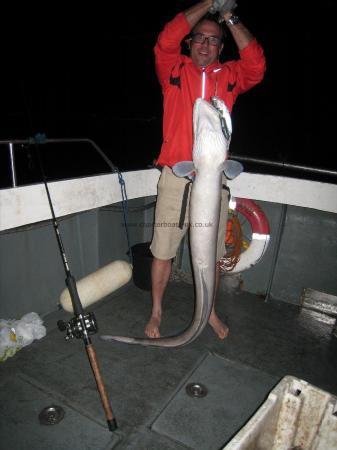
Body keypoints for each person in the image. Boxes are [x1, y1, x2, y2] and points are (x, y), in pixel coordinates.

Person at [145, 0, 266, 339]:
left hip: (214, 182)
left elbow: (256, 65)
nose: (206, 44)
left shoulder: (230, 76)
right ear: (190, 42)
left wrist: (229, 16)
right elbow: (166, 39)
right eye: (200, 37)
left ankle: (209, 311)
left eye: (214, 40)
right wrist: (209, 4)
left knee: (212, 252)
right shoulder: (172, 69)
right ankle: (156, 312)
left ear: (221, 47)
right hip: (176, 177)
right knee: (164, 250)